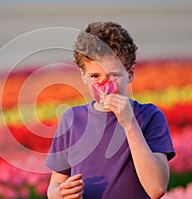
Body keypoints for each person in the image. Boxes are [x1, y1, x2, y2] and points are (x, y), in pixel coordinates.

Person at [45, 21, 175, 199]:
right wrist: (61, 193)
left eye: (113, 75)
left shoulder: (150, 117)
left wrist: (129, 123)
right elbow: (54, 186)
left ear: (130, 74)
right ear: (83, 76)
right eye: (94, 76)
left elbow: (157, 189)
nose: (104, 85)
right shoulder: (71, 119)